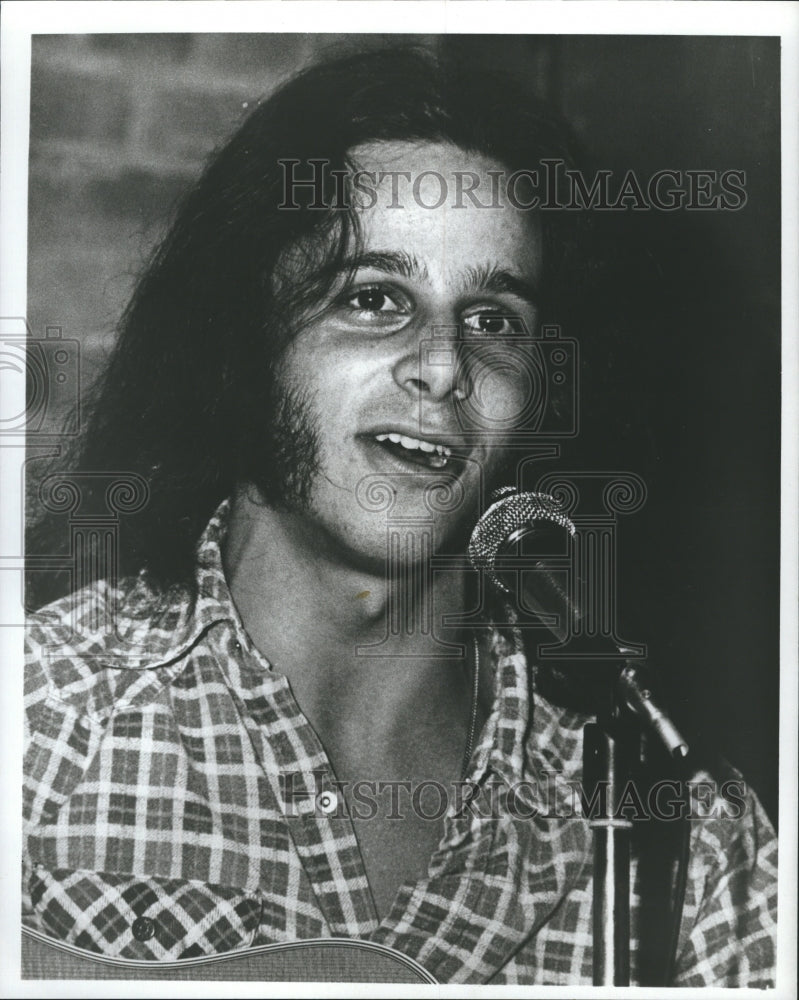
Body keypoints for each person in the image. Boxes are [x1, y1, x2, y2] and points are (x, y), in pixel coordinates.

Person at [22, 46, 777, 985]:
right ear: (242, 345)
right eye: (374, 299)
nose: (442, 366)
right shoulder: (43, 719)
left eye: (492, 317)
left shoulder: (680, 835)